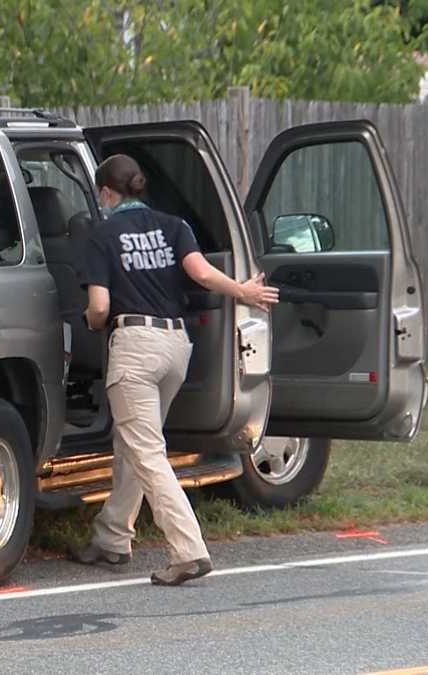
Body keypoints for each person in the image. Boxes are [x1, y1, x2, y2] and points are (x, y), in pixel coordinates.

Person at [72, 155, 278, 585]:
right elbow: (201, 273)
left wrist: (90, 323)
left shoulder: (102, 233)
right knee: (135, 443)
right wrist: (242, 291)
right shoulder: (174, 226)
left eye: (99, 195)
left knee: (146, 451)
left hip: (134, 347)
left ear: (106, 193)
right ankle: (112, 537)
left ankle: (188, 549)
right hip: (175, 348)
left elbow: (100, 306)